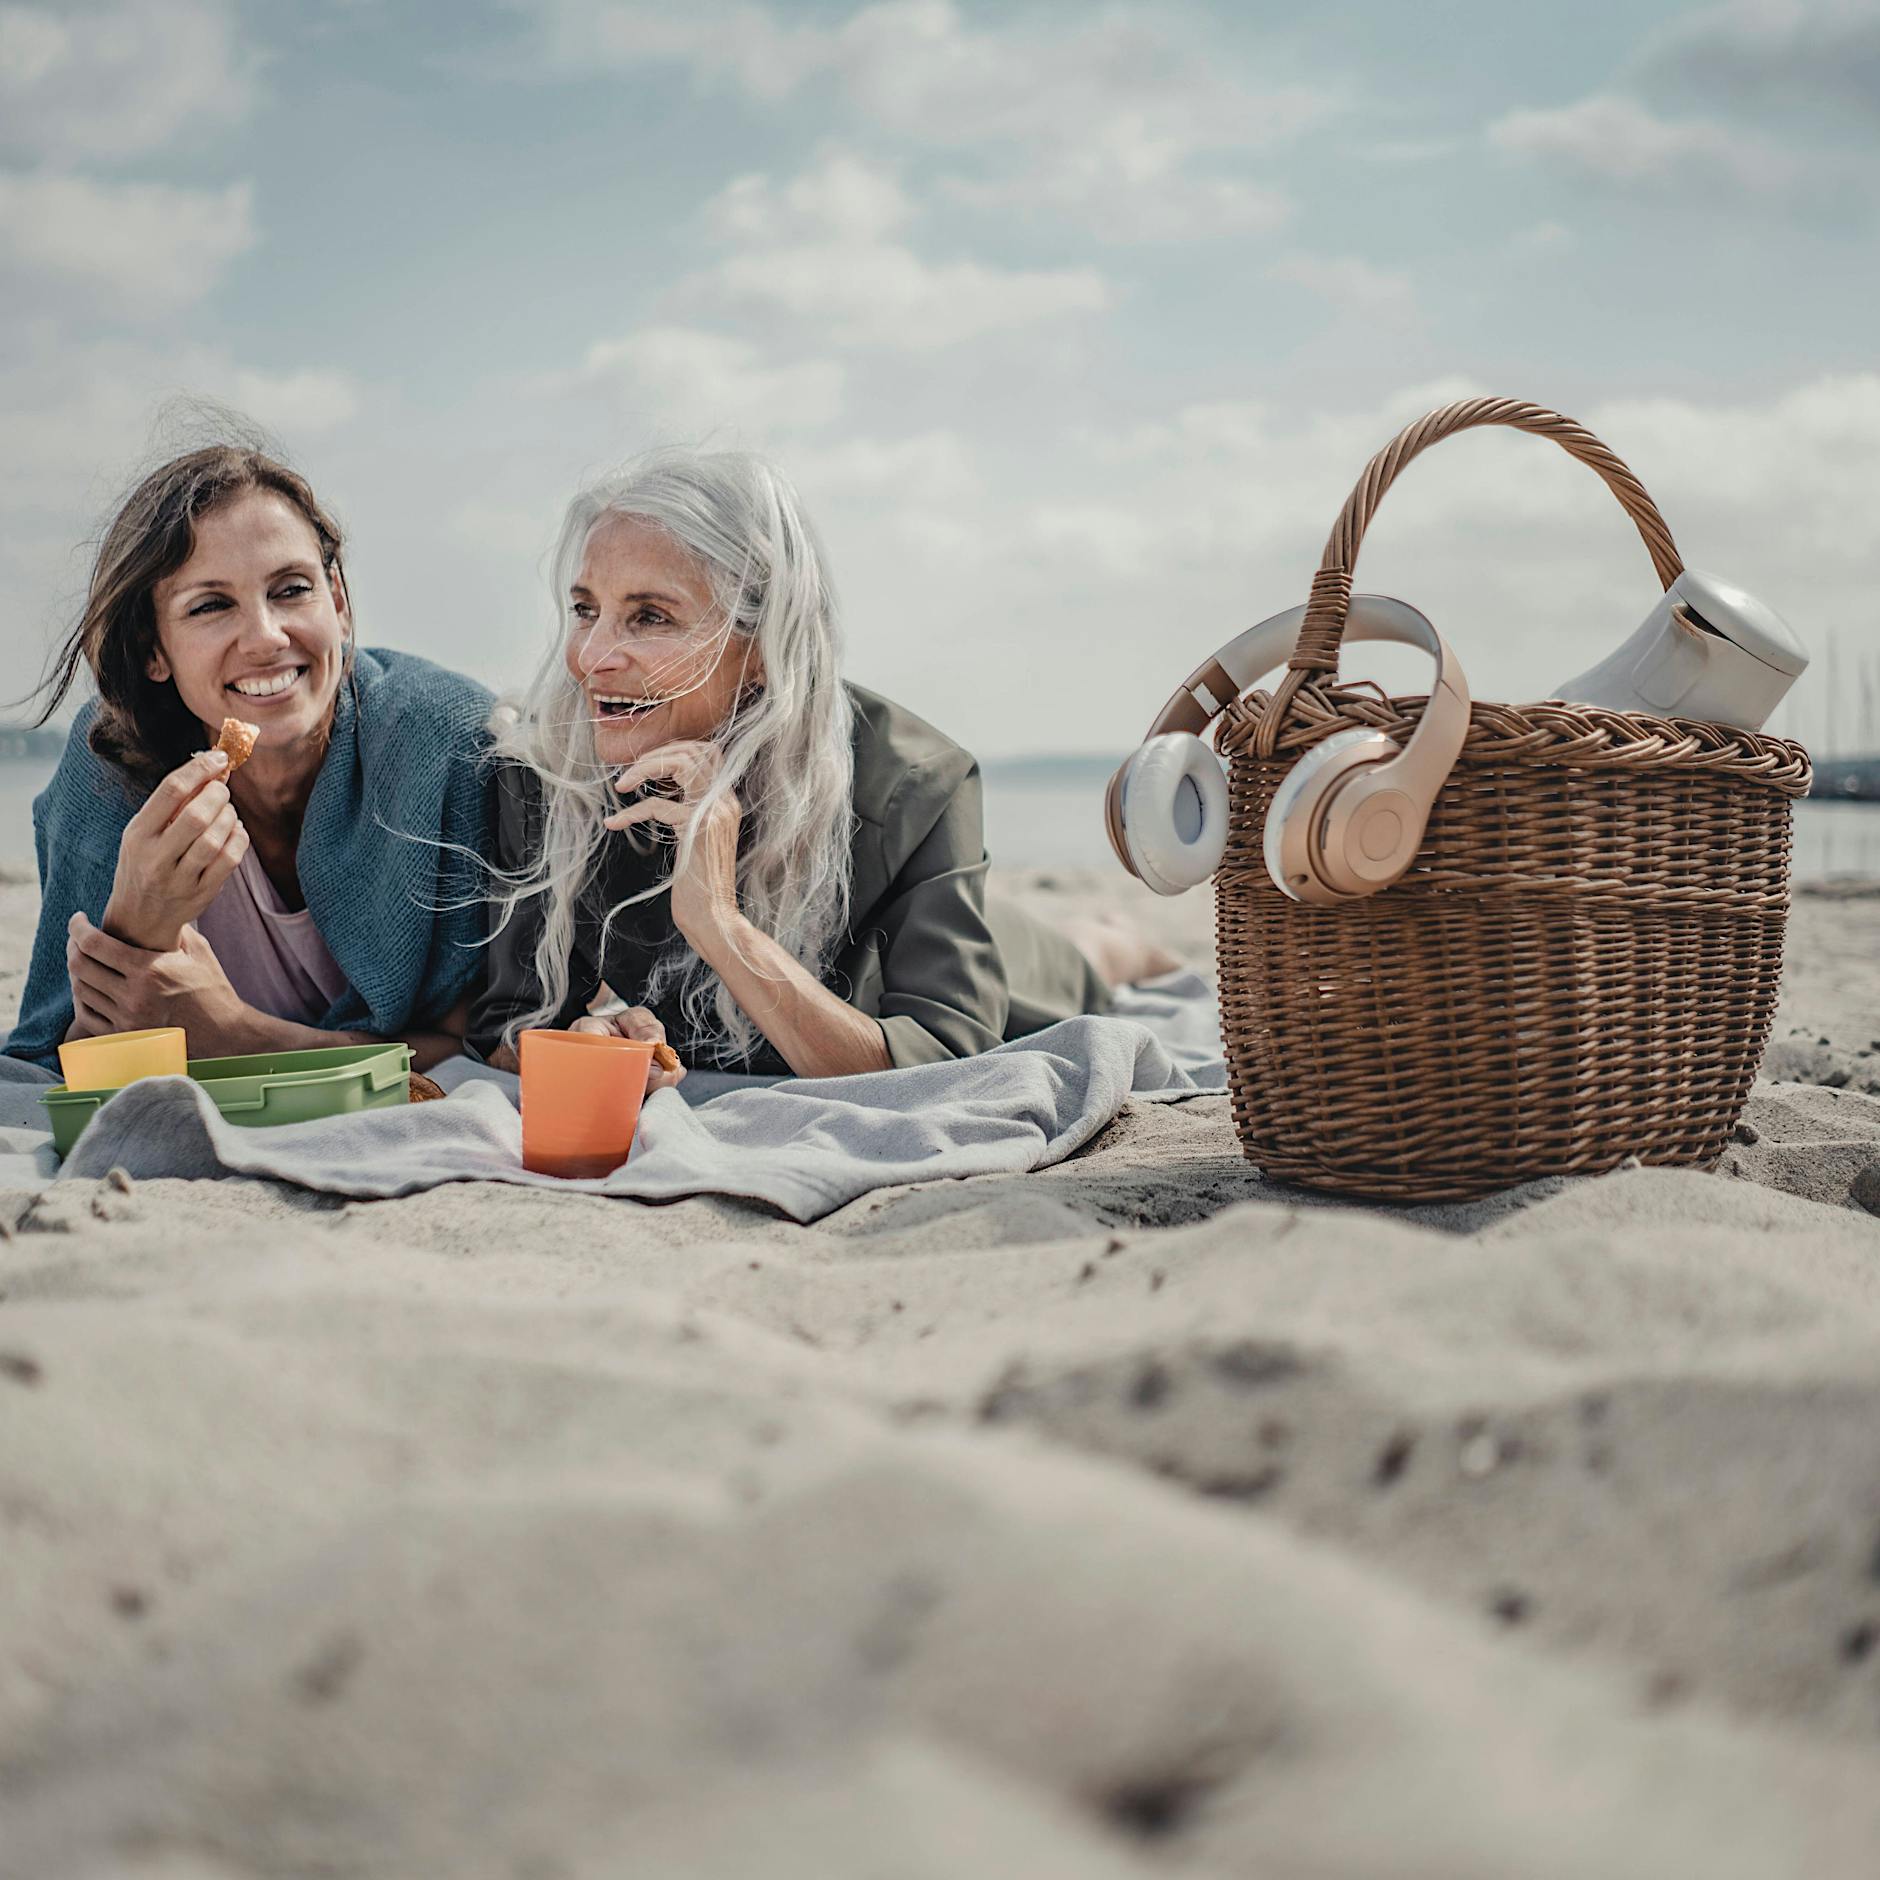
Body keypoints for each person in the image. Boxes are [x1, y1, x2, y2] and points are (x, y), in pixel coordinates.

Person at [469, 447, 1174, 1087]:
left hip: (1011, 969)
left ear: (761, 647)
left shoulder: (915, 785)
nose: (592, 657)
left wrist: (719, 921)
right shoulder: (546, 774)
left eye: (650, 617)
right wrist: (585, 1039)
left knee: (1089, 958)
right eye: (586, 609)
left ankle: (1117, 943)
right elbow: (509, 1024)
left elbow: (940, 1063)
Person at [8, 440, 493, 1072]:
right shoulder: (113, 768)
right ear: (153, 649)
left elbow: (481, 1049)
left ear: (338, 602)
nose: (266, 638)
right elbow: (68, 1062)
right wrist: (135, 925)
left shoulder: (449, 745)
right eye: (211, 605)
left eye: (291, 589)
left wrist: (235, 1035)